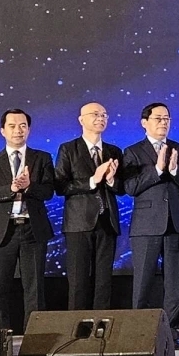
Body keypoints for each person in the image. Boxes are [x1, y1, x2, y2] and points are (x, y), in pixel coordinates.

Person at [121, 102, 179, 349]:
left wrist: (174, 171)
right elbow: (130, 187)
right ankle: (138, 335)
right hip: (146, 225)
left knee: (174, 283)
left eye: (167, 119)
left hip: (175, 223)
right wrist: (157, 169)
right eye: (158, 118)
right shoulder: (132, 151)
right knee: (143, 282)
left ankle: (171, 334)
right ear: (144, 122)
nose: (163, 123)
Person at [0, 109, 55, 333]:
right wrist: (11, 188)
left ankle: (34, 339)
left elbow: (49, 191)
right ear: (2, 130)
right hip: (3, 231)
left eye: (22, 125)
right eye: (12, 126)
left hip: (33, 230)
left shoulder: (42, 158)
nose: (18, 130)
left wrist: (29, 187)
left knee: (34, 289)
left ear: (29, 129)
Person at [55, 102, 122, 310]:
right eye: (95, 114)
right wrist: (93, 180)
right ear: (81, 120)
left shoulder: (113, 151)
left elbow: (122, 188)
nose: (100, 118)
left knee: (104, 282)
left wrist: (111, 180)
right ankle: (78, 326)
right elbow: (61, 186)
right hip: (78, 224)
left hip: (107, 222)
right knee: (78, 282)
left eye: (104, 115)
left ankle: (101, 325)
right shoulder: (68, 149)